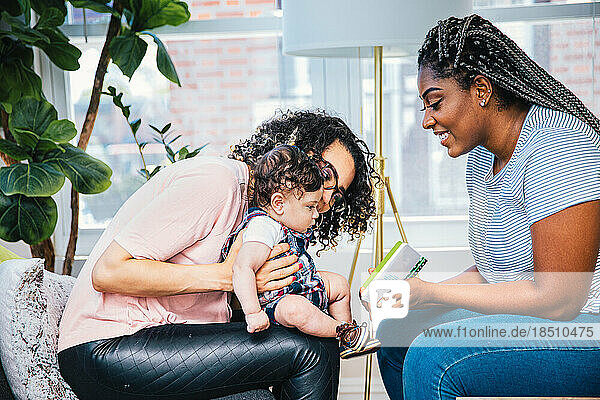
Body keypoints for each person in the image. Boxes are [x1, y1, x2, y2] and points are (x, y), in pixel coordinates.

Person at [57, 110, 378, 400]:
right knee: (311, 350)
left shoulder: (260, 220)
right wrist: (228, 276)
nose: (324, 200)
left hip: (168, 338)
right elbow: (108, 273)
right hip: (105, 347)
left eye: (336, 194)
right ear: (290, 149)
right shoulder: (217, 183)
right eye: (325, 176)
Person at [373, 14, 600, 400]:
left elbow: (560, 299)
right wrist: (410, 295)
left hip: (583, 326)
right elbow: (494, 273)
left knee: (431, 358)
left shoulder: (558, 147)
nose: (426, 121)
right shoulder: (481, 159)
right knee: (395, 332)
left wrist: (430, 293)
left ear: (481, 89)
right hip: (539, 315)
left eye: (435, 102)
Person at [223, 144, 380, 358]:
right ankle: (340, 332)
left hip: (301, 286)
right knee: (297, 310)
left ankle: (349, 339)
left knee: (340, 284)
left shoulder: (286, 222)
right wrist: (253, 312)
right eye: (310, 207)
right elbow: (242, 268)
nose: (316, 214)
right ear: (279, 203)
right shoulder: (263, 227)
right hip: (275, 302)